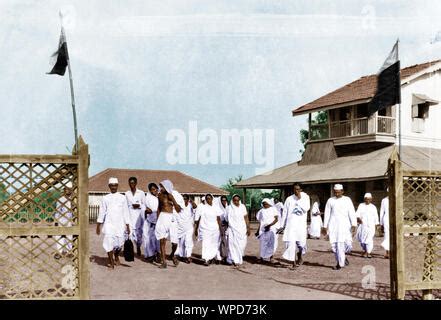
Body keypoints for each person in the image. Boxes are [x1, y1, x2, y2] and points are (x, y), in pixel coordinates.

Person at [96, 177, 130, 269]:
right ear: (109, 186)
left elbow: (126, 212)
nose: (113, 187)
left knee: (119, 244)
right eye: (112, 185)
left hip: (120, 225)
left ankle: (116, 256)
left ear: (117, 186)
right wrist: (98, 225)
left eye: (115, 185)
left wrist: (128, 225)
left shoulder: (123, 198)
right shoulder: (105, 198)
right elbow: (102, 212)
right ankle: (111, 262)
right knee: (108, 243)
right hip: (109, 224)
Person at [322, 184, 357, 270]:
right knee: (336, 245)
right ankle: (339, 263)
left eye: (338, 192)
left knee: (347, 244)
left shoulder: (347, 200)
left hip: (345, 226)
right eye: (335, 193)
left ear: (342, 191)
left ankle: (343, 257)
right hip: (334, 226)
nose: (337, 194)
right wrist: (325, 226)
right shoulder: (330, 200)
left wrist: (354, 224)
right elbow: (327, 214)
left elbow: (352, 212)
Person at [280, 183, 310, 269]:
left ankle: (299, 255)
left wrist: (300, 199)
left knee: (301, 244)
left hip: (301, 226)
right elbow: (285, 212)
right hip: (291, 225)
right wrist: (282, 225)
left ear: (301, 190)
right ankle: (293, 263)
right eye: (294, 189)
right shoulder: (289, 199)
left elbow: (307, 208)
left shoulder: (305, 197)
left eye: (298, 189)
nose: (296, 191)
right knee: (291, 244)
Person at [156, 179, 184, 269]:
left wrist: (173, 203)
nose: (160, 188)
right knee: (162, 240)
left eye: (162, 186)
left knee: (174, 242)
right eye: (160, 186)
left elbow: (179, 210)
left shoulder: (171, 196)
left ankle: (172, 255)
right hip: (162, 218)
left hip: (171, 218)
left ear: (167, 187)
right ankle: (164, 262)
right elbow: (159, 208)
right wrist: (158, 219)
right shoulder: (159, 196)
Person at [194, 193, 223, 266]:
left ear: (212, 199)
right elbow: (198, 218)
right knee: (206, 244)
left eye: (209, 198)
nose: (208, 200)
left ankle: (211, 257)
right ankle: (206, 259)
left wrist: (221, 229)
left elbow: (218, 219)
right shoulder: (203, 208)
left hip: (215, 229)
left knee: (214, 244)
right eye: (207, 199)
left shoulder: (216, 207)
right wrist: (196, 229)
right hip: (205, 229)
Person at [225, 194, 250, 267]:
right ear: (232, 200)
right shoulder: (229, 208)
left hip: (242, 229)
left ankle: (237, 258)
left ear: (239, 200)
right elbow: (226, 219)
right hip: (233, 230)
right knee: (233, 245)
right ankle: (235, 260)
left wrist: (248, 227)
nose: (236, 202)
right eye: (235, 200)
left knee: (242, 245)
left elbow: (246, 217)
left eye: (237, 200)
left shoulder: (243, 207)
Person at [125, 177, 146, 257]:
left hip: (138, 217)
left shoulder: (141, 193)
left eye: (133, 183)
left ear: (136, 183)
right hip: (130, 215)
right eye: (130, 183)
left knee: (139, 234)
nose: (132, 184)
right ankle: (130, 250)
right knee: (129, 233)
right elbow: (125, 206)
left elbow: (144, 204)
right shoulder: (127, 193)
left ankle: (138, 246)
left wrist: (139, 205)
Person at [54, 182, 74, 259]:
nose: (68, 190)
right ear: (64, 190)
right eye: (66, 189)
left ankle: (69, 251)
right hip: (61, 220)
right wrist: (56, 221)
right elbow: (57, 211)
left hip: (69, 220)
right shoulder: (61, 199)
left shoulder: (73, 199)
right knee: (59, 236)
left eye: (69, 189)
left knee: (69, 236)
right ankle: (59, 252)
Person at [255, 198, 279, 264]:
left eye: (266, 204)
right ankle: (262, 258)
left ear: (269, 203)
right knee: (263, 244)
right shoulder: (261, 211)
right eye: (263, 204)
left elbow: (276, 219)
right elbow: (260, 221)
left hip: (272, 229)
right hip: (263, 230)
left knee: (271, 244)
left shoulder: (273, 209)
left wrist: (269, 225)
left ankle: (271, 257)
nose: (265, 205)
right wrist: (257, 231)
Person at [356, 193, 379, 258]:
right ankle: (365, 250)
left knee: (369, 239)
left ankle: (368, 252)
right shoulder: (361, 205)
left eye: (369, 199)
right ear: (364, 199)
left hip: (371, 225)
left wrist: (377, 224)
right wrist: (358, 218)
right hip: (363, 225)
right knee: (362, 239)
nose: (367, 200)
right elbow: (357, 213)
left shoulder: (373, 207)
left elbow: (376, 216)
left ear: (371, 199)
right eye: (366, 199)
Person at [175, 194, 196, 263]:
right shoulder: (180, 205)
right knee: (181, 242)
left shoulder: (190, 205)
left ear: (188, 199)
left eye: (185, 199)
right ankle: (182, 255)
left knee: (188, 241)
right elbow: (177, 211)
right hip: (180, 227)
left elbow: (195, 206)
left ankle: (188, 256)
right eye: (183, 199)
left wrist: (191, 201)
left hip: (189, 227)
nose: (184, 200)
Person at [143, 183, 160, 262]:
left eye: (155, 189)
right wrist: (146, 210)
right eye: (152, 189)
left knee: (158, 238)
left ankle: (158, 254)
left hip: (159, 219)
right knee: (149, 238)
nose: (154, 191)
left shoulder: (159, 197)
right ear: (149, 190)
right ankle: (150, 255)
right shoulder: (147, 198)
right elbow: (143, 207)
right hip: (149, 220)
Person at [217, 195, 229, 263]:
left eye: (225, 200)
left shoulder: (228, 207)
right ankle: (222, 256)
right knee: (222, 240)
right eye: (222, 200)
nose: (224, 201)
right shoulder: (218, 208)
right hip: (221, 225)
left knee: (227, 241)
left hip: (228, 225)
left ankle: (227, 255)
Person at [380, 192, 389, 259]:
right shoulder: (384, 200)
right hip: (386, 219)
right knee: (387, 236)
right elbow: (382, 211)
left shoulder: (397, 198)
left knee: (394, 236)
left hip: (395, 218)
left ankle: (393, 252)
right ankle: (387, 252)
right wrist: (381, 223)